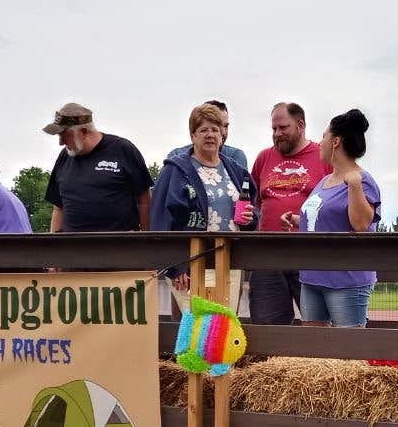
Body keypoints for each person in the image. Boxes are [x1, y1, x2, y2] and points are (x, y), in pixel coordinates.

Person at [151, 103, 259, 305]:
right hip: (191, 263)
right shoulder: (174, 171)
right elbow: (160, 219)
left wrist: (251, 218)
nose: (210, 135)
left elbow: (252, 210)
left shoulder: (235, 170)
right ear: (192, 135)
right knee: (201, 327)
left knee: (224, 326)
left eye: (215, 130)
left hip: (229, 262)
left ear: (222, 135)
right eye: (203, 130)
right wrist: (175, 266)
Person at [297, 109, 381, 328]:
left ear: (335, 142)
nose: (320, 142)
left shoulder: (363, 180)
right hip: (312, 277)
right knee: (314, 355)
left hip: (347, 280)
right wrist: (298, 221)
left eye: (324, 136)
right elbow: (326, 218)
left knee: (348, 351)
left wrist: (354, 185)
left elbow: (361, 224)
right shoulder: (323, 181)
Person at [247, 101, 329, 323]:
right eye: (274, 129)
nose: (277, 134)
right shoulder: (264, 157)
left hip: (309, 254)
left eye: (284, 128)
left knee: (318, 324)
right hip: (268, 255)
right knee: (267, 324)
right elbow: (251, 200)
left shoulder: (323, 156)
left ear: (301, 125)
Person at [43, 102, 152, 232]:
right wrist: (54, 246)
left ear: (84, 132)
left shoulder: (123, 149)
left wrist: (146, 241)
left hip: (121, 247)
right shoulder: (64, 157)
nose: (61, 142)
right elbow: (58, 208)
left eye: (64, 135)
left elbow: (145, 201)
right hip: (72, 248)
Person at [167, 100, 248, 170]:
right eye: (205, 129)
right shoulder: (176, 157)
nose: (223, 132)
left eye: (225, 126)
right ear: (193, 133)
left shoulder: (236, 156)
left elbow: (243, 186)